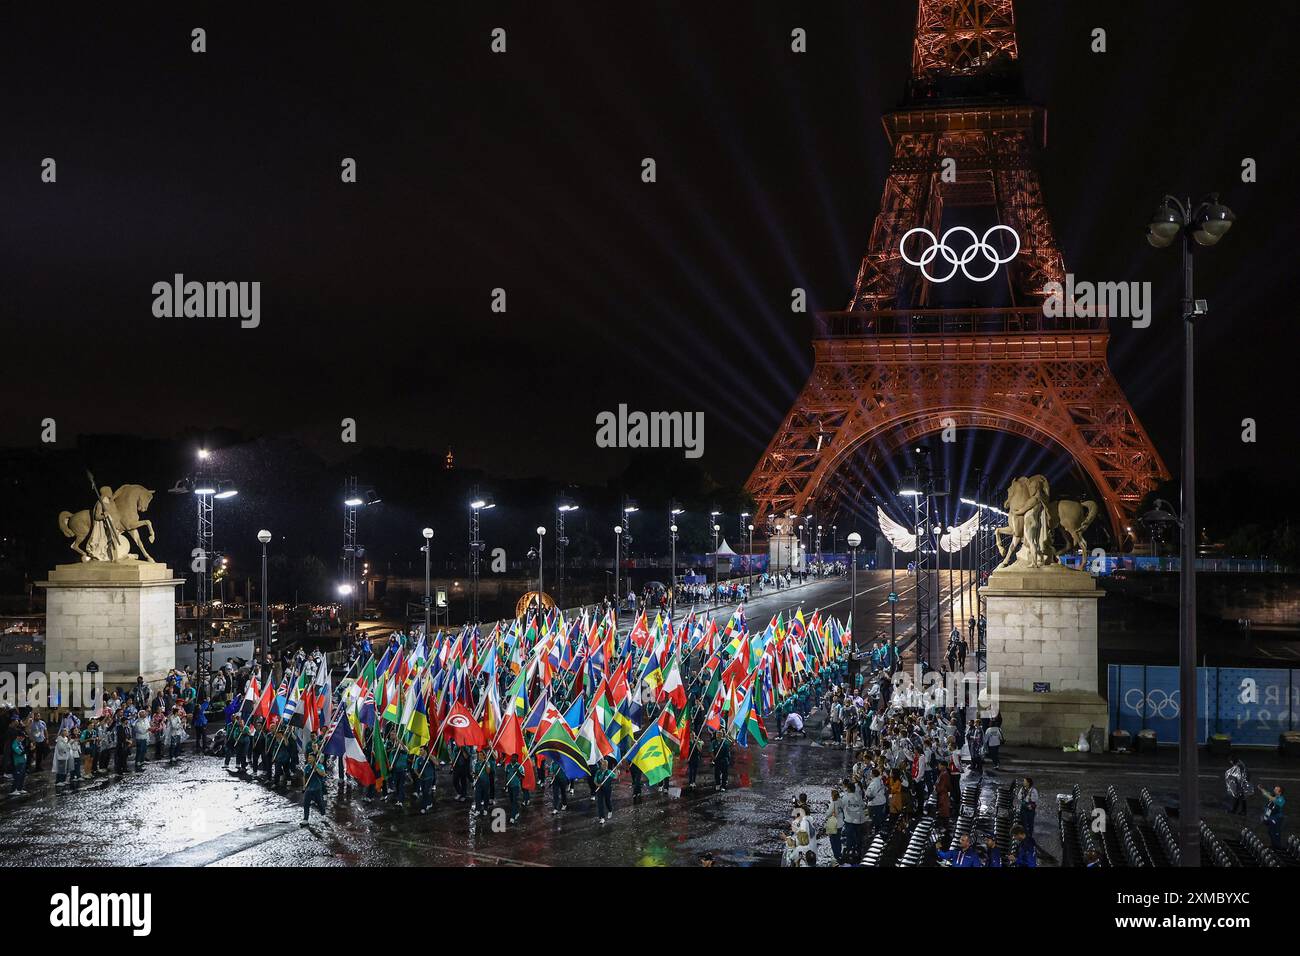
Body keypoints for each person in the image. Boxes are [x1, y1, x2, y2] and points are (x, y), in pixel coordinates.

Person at [840, 781, 865, 864]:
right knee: (858, 837)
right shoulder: (859, 796)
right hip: (859, 821)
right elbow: (863, 806)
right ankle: (858, 853)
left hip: (850, 821)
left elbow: (841, 807)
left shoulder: (845, 797)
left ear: (849, 789)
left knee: (850, 838)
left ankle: (850, 855)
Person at [301, 753, 328, 826]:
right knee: (306, 804)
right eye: (308, 758)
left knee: (320, 803)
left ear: (314, 759)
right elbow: (304, 776)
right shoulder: (307, 767)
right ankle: (305, 819)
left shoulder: (320, 766)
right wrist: (304, 785)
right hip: (309, 789)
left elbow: (323, 774)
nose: (309, 759)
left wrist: (316, 768)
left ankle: (323, 815)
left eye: (310, 758)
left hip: (317, 789)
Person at [1259, 784, 1286, 850]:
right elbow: (1266, 794)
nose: (1274, 790)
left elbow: (1275, 801)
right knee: (1271, 832)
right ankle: (1274, 845)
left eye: (1276, 789)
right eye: (1275, 789)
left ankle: (1278, 847)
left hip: (1277, 819)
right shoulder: (1274, 796)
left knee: (1276, 832)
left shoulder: (1281, 799)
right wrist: (1261, 789)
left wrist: (1269, 796)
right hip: (1271, 818)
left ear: (1280, 792)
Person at [595, 757, 617, 824]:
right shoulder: (598, 772)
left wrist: (616, 770)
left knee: (607, 801)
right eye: (602, 765)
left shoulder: (609, 772)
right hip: (600, 790)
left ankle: (610, 810)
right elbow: (595, 780)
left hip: (607, 789)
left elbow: (615, 777)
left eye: (604, 765)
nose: (603, 766)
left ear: (607, 766)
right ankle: (602, 818)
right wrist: (598, 784)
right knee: (600, 803)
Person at [825, 787, 844, 863]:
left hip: (833, 825)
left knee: (833, 841)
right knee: (838, 839)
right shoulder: (841, 801)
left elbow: (828, 814)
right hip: (840, 823)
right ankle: (839, 853)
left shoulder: (833, 803)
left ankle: (836, 856)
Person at [9, 727, 29, 794]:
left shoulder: (20, 743)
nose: (23, 738)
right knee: (17, 776)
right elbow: (20, 752)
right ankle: (13, 790)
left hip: (23, 762)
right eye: (22, 737)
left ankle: (20, 788)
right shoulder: (15, 744)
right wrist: (27, 749)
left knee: (22, 776)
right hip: (18, 763)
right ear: (18, 737)